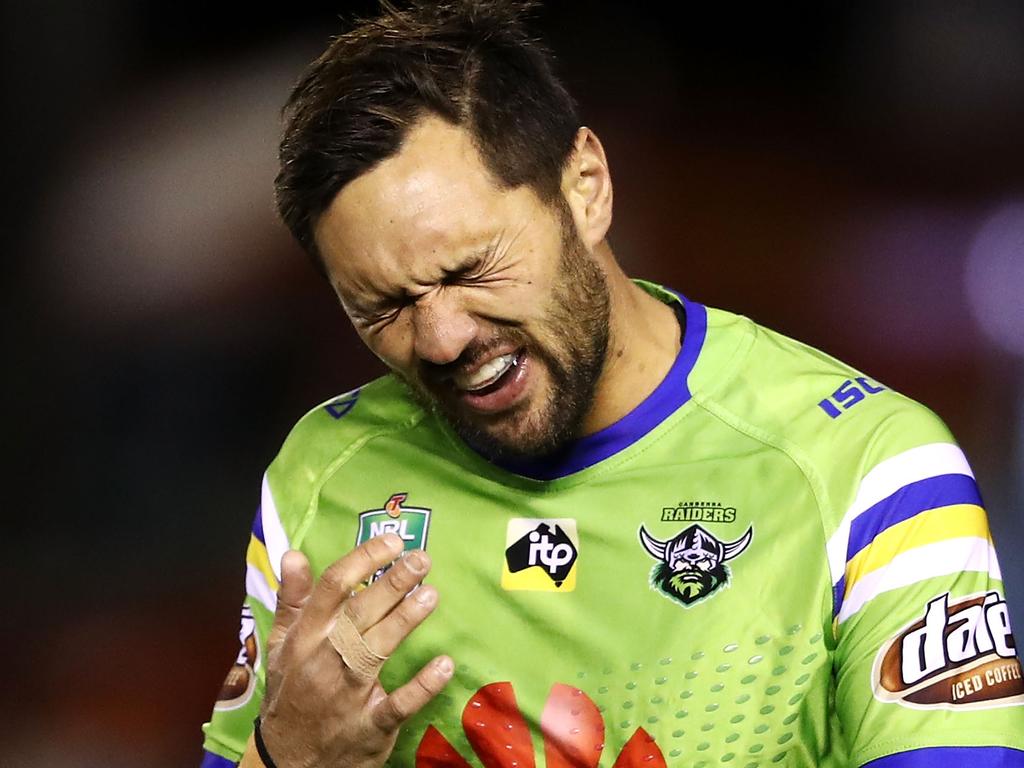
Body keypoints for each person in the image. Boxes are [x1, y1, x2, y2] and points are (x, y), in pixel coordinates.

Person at [200, 2, 1024, 766]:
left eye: (472, 267)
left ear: (585, 189)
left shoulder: (868, 466)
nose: (442, 337)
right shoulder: (323, 476)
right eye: (382, 307)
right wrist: (285, 758)